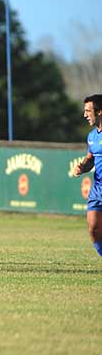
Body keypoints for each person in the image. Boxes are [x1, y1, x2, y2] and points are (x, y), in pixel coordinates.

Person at [73, 93, 102, 257]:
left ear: (100, 112)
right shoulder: (92, 136)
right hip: (98, 189)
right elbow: (91, 158)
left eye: (88, 111)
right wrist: (83, 166)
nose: (85, 115)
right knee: (94, 229)